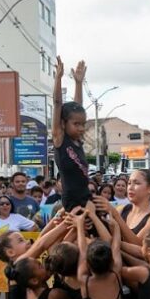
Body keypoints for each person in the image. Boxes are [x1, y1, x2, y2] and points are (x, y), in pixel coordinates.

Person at [52, 56, 91, 211]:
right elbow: (57, 104)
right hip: (72, 202)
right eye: (76, 125)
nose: (81, 128)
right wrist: (58, 79)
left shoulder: (78, 141)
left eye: (83, 124)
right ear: (63, 124)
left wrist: (79, 83)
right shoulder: (60, 139)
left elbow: (77, 107)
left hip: (86, 197)